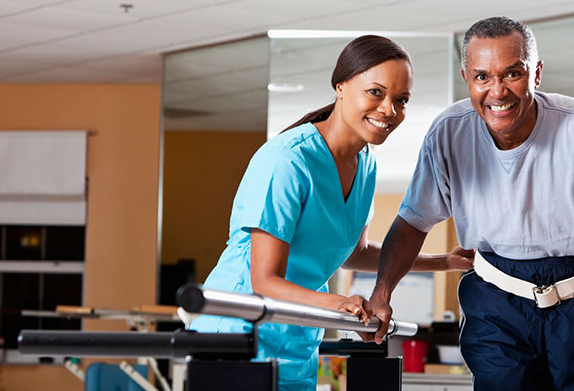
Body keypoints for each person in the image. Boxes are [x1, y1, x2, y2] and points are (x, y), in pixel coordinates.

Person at [368, 17, 574, 390]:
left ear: (537, 73)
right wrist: (381, 294)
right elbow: (412, 222)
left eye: (512, 74)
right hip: (497, 300)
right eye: (482, 77)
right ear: (467, 77)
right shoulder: (449, 132)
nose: (497, 91)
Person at [189, 35, 473, 391]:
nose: (390, 110)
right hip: (238, 333)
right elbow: (265, 279)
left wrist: (444, 262)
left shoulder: (365, 165)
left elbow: (354, 253)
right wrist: (343, 303)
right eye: (376, 92)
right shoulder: (287, 160)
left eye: (401, 100)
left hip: (295, 339)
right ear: (341, 86)